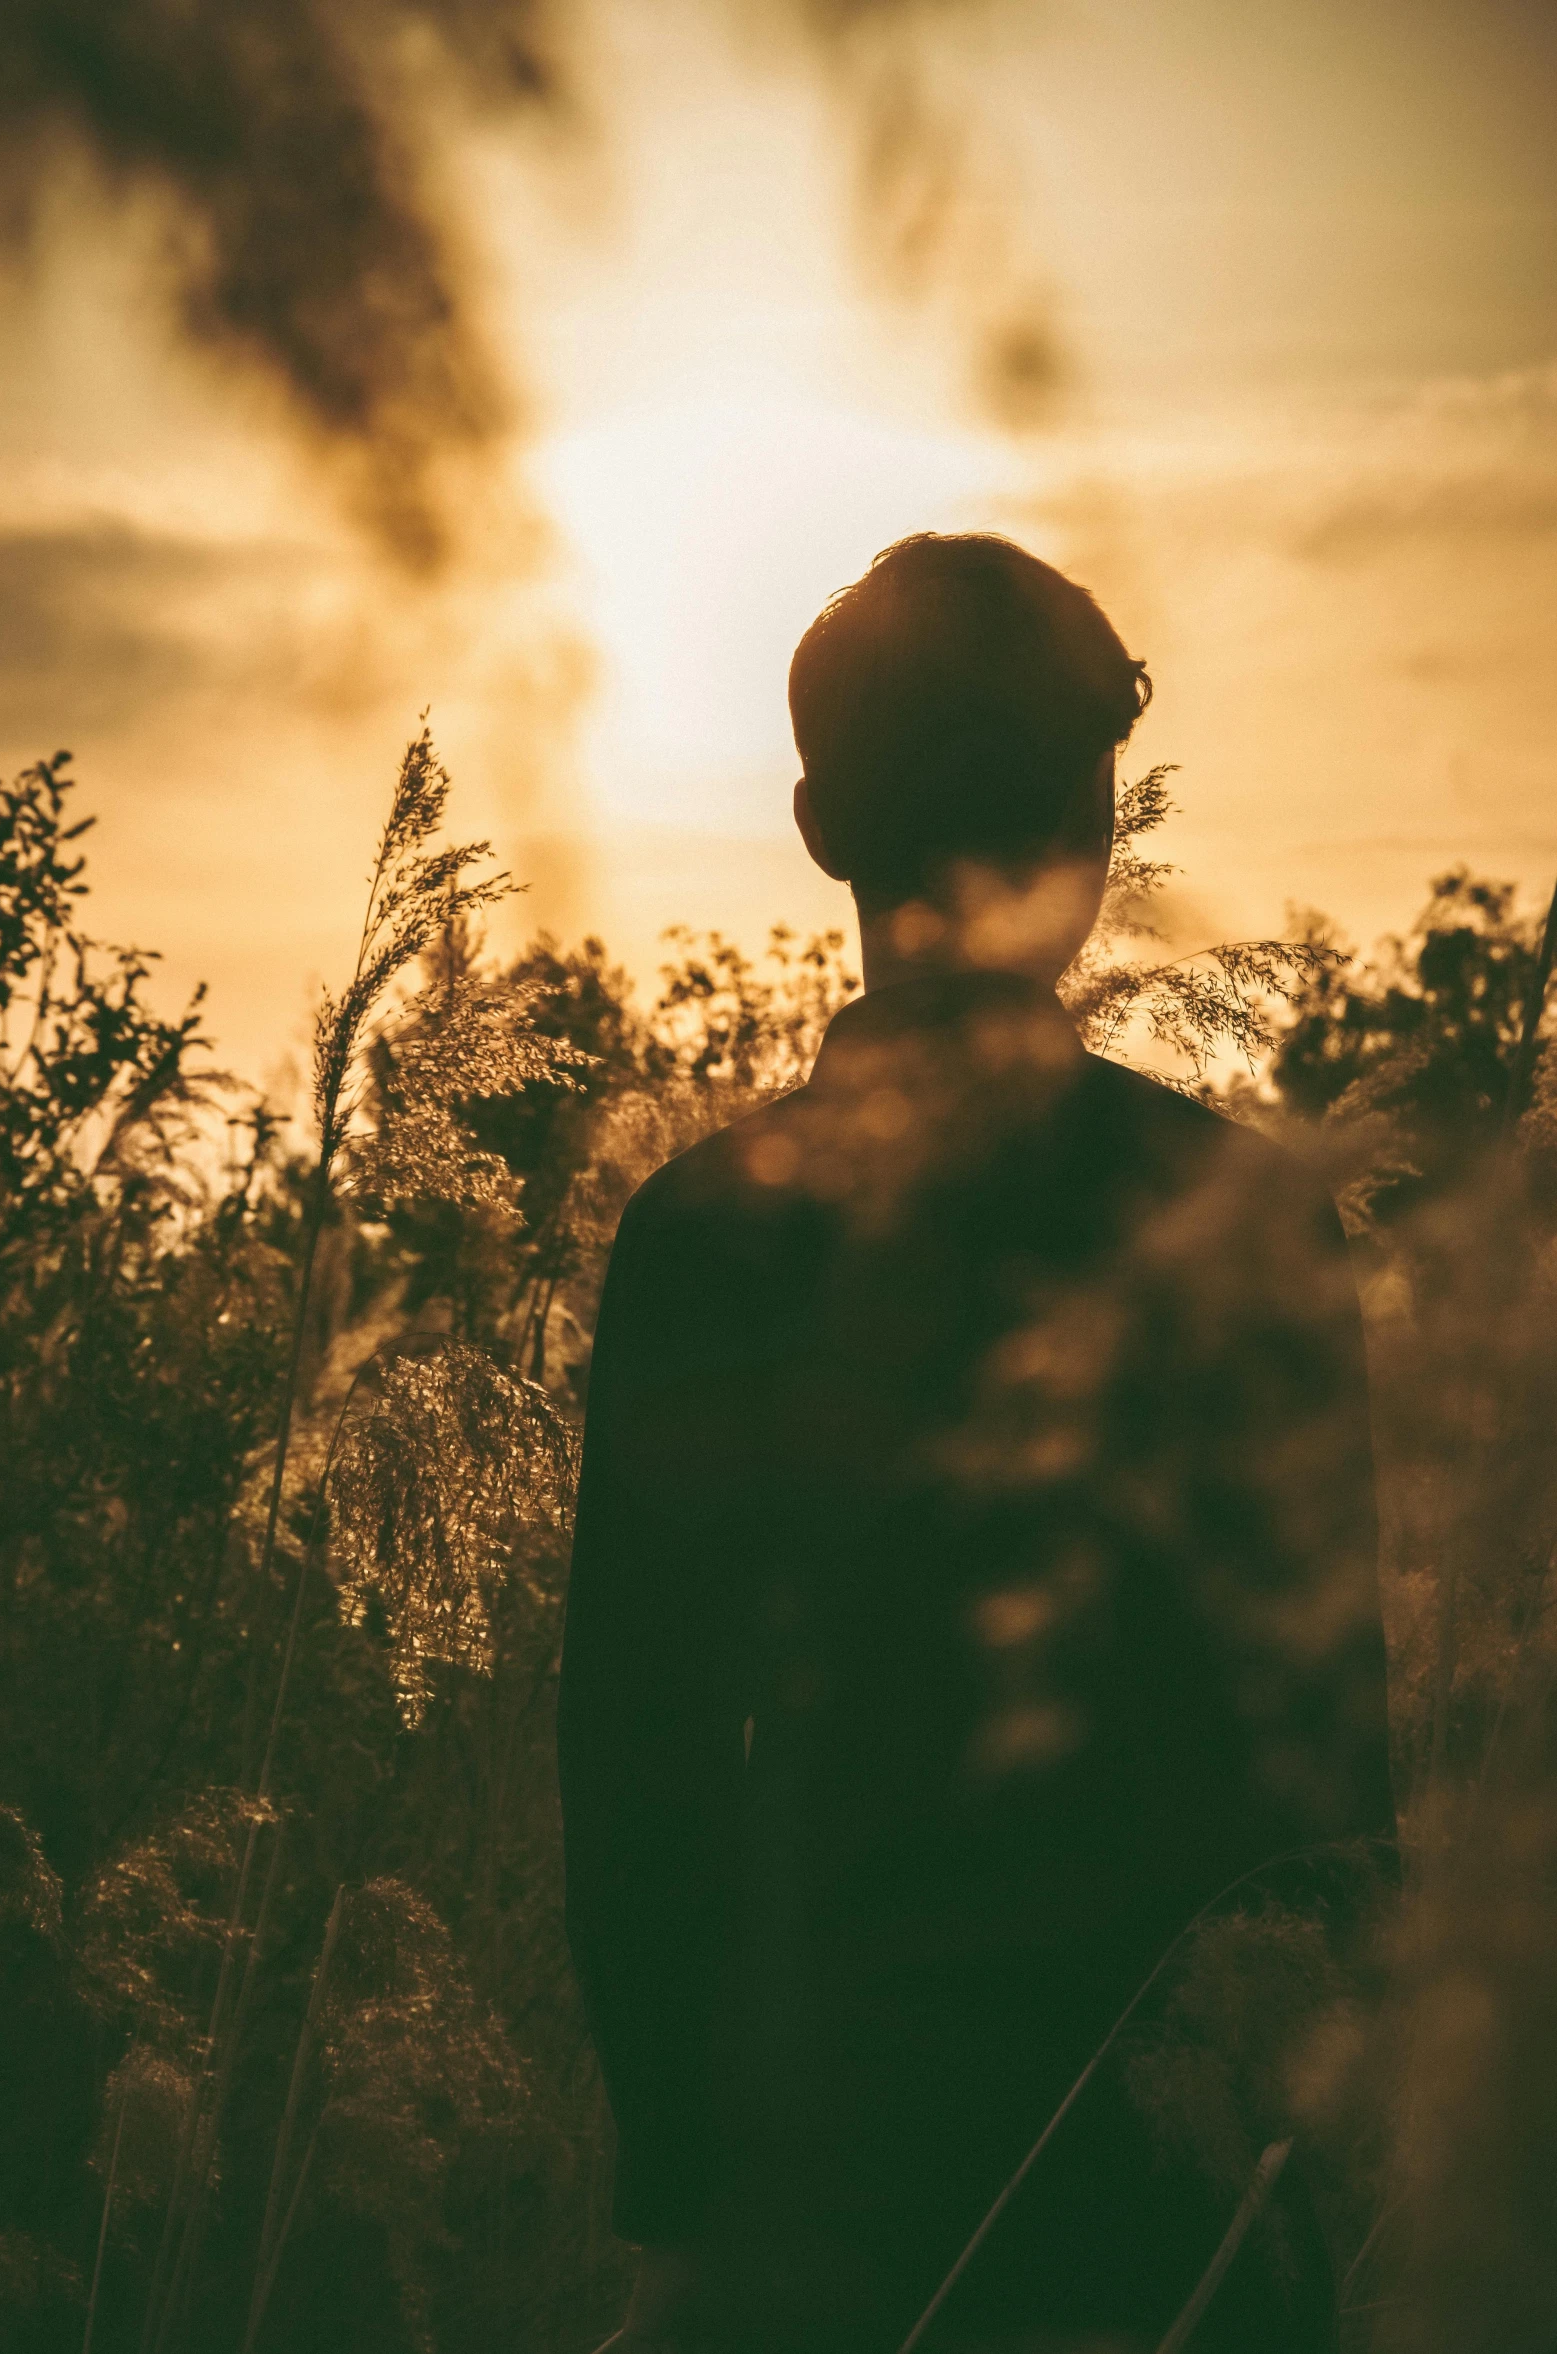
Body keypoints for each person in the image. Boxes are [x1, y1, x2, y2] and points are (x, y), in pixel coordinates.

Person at [558, 533, 1396, 2353]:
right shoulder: (1241, 1221)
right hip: (1185, 2218)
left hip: (829, 2210)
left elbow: (644, 1775)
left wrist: (691, 2207)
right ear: (1095, 842)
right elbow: (1330, 1775)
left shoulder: (708, 1243)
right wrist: (1305, 2179)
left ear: (816, 824)